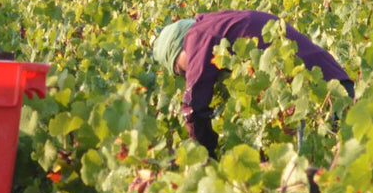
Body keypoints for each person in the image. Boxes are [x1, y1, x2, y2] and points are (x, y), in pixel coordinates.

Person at [151, 10, 354, 159]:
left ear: (179, 50)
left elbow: (194, 106)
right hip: (329, 88)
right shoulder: (218, 25)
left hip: (324, 96)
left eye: (180, 69)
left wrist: (206, 159)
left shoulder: (198, 36)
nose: (186, 74)